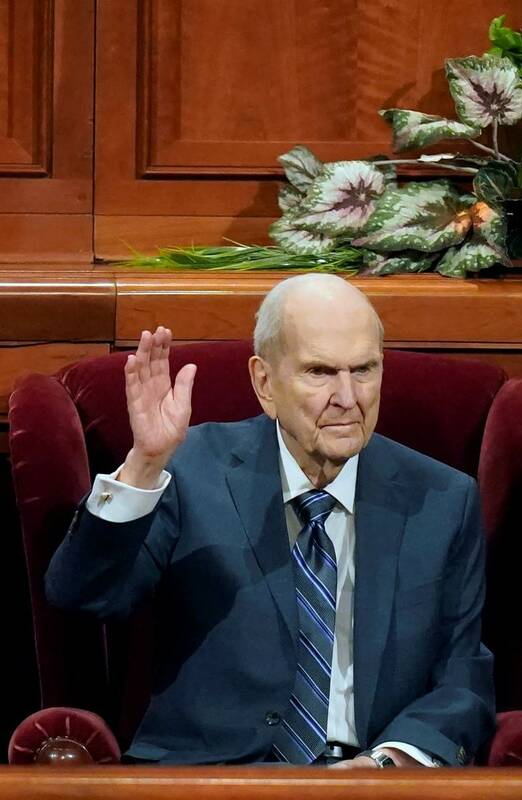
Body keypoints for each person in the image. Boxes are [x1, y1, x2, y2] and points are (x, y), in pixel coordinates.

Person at [45, 274, 495, 767]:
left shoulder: (442, 500)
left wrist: (385, 764)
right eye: (320, 372)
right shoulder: (191, 471)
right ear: (264, 382)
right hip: (210, 782)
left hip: (371, 783)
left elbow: (463, 678)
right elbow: (82, 597)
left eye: (364, 369)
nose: (348, 397)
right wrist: (144, 465)